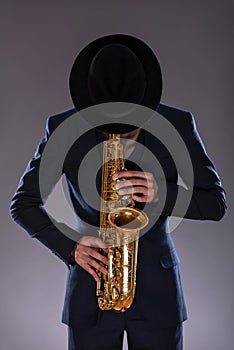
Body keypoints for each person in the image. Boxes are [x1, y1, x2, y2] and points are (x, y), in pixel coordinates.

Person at [10, 34, 227, 350]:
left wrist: (162, 193)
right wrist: (70, 248)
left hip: (159, 296)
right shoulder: (63, 129)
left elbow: (215, 203)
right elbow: (23, 203)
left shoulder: (177, 124)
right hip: (91, 290)